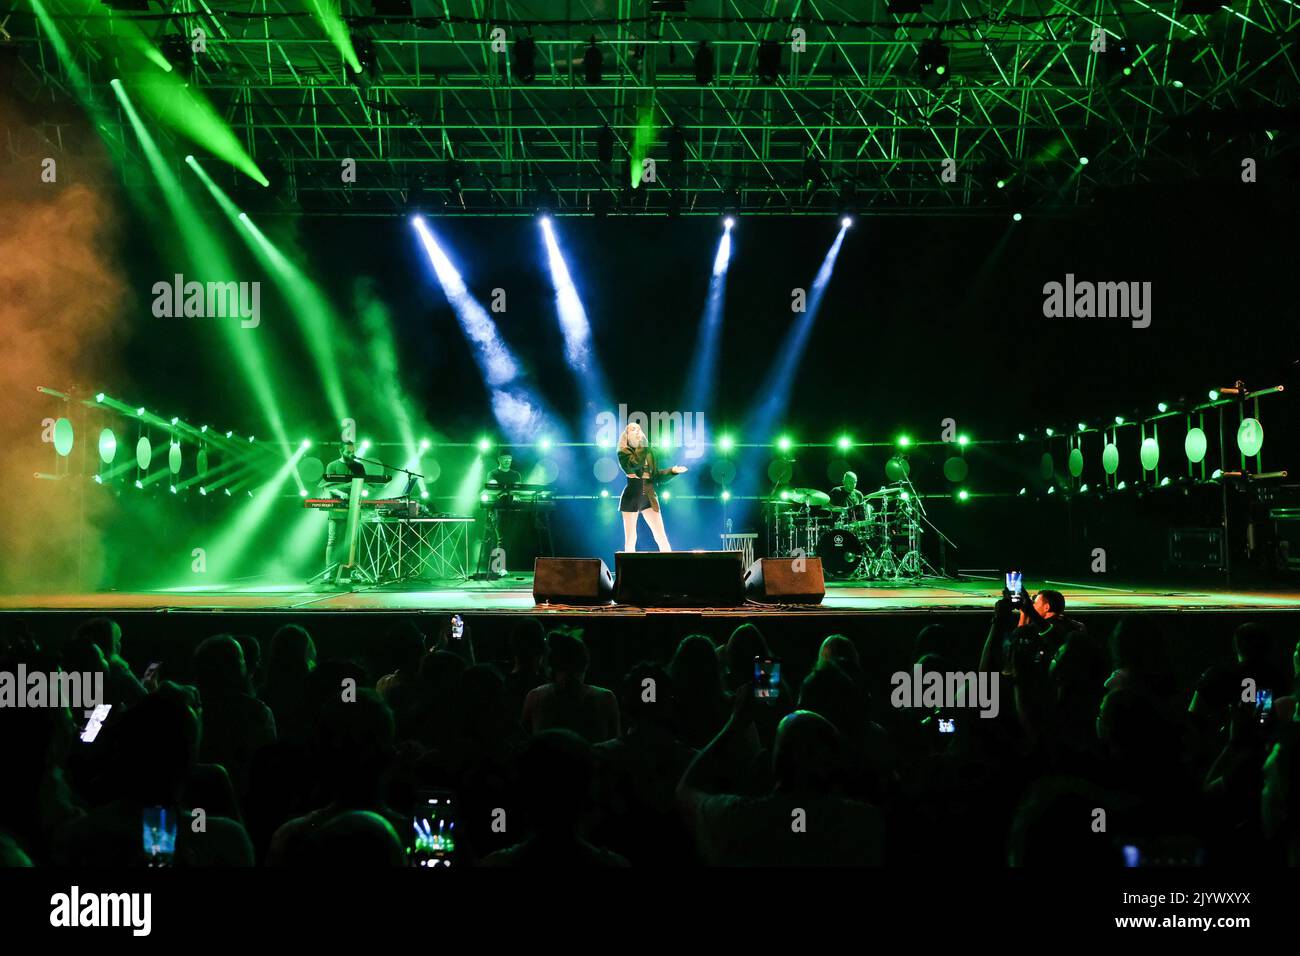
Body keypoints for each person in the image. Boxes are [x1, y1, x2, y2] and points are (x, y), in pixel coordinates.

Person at [617, 422, 686, 552]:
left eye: (639, 428)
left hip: (649, 495)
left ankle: (671, 566)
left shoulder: (649, 452)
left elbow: (655, 476)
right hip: (632, 495)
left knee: (660, 536)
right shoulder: (624, 452)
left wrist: (673, 471)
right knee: (631, 538)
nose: (637, 431)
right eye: (633, 429)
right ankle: (627, 570)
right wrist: (643, 446)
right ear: (627, 435)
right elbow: (634, 465)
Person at [319, 439, 372, 578]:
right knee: (333, 539)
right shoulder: (332, 466)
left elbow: (364, 485)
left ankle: (354, 572)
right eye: (349, 452)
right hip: (336, 508)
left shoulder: (359, 467)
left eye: (353, 452)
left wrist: (364, 492)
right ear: (341, 451)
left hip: (354, 508)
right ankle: (328, 573)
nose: (352, 454)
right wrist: (341, 493)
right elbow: (327, 486)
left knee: (354, 541)